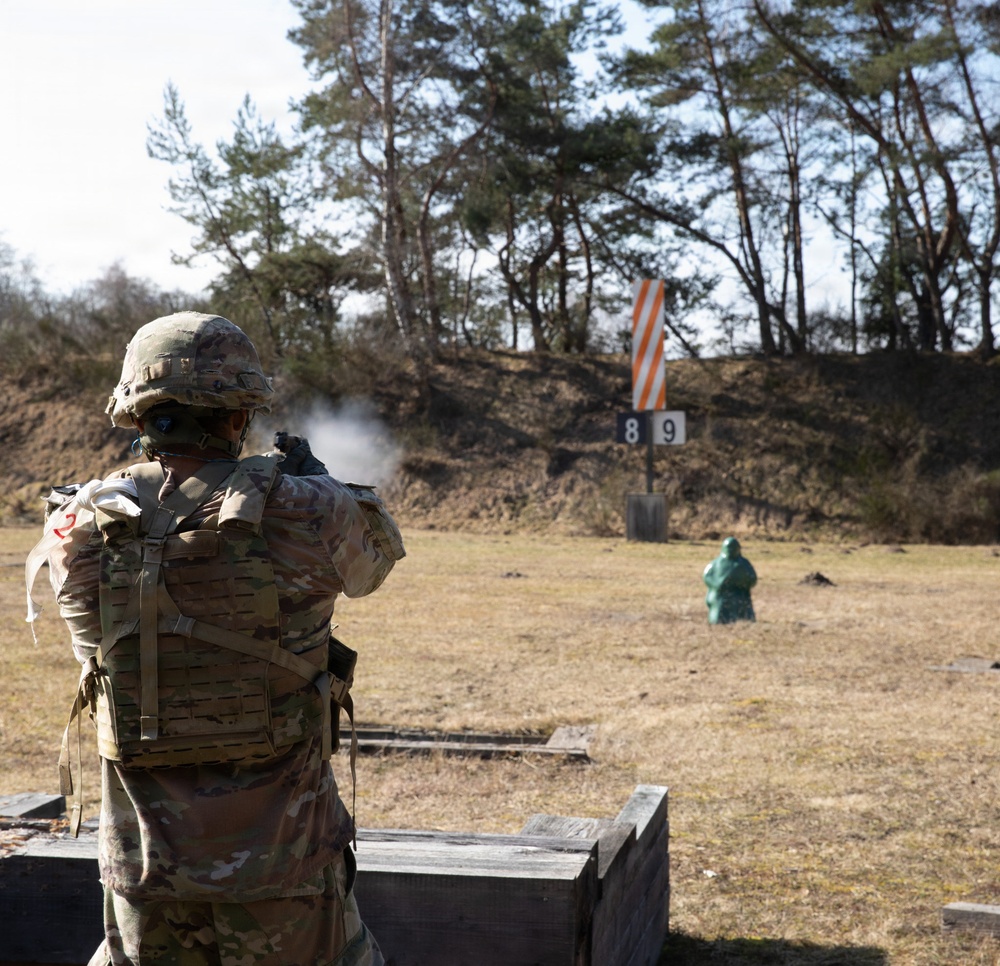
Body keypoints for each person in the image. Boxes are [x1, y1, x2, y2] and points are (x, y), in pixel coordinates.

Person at [26, 311, 404, 966]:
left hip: (145, 872)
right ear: (240, 411)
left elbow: (93, 649)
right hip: (282, 873)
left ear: (136, 412)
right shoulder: (309, 511)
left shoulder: (81, 521)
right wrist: (315, 482)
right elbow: (375, 561)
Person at [703, 536, 756, 624]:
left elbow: (753, 577)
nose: (731, 550)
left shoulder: (744, 563)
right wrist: (716, 585)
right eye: (729, 548)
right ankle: (717, 620)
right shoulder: (716, 563)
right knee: (719, 605)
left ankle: (745, 619)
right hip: (721, 594)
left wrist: (745, 583)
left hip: (740, 592)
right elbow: (707, 576)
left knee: (742, 604)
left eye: (733, 548)